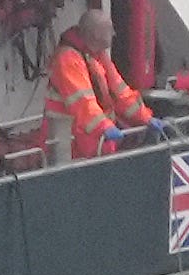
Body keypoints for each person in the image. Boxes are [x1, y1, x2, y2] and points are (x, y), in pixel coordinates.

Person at [46, 9, 156, 161]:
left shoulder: (96, 55)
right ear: (96, 34)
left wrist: (145, 117)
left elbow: (121, 93)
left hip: (94, 139)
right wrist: (105, 127)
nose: (114, 33)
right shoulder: (68, 59)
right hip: (70, 142)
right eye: (109, 29)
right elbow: (83, 103)